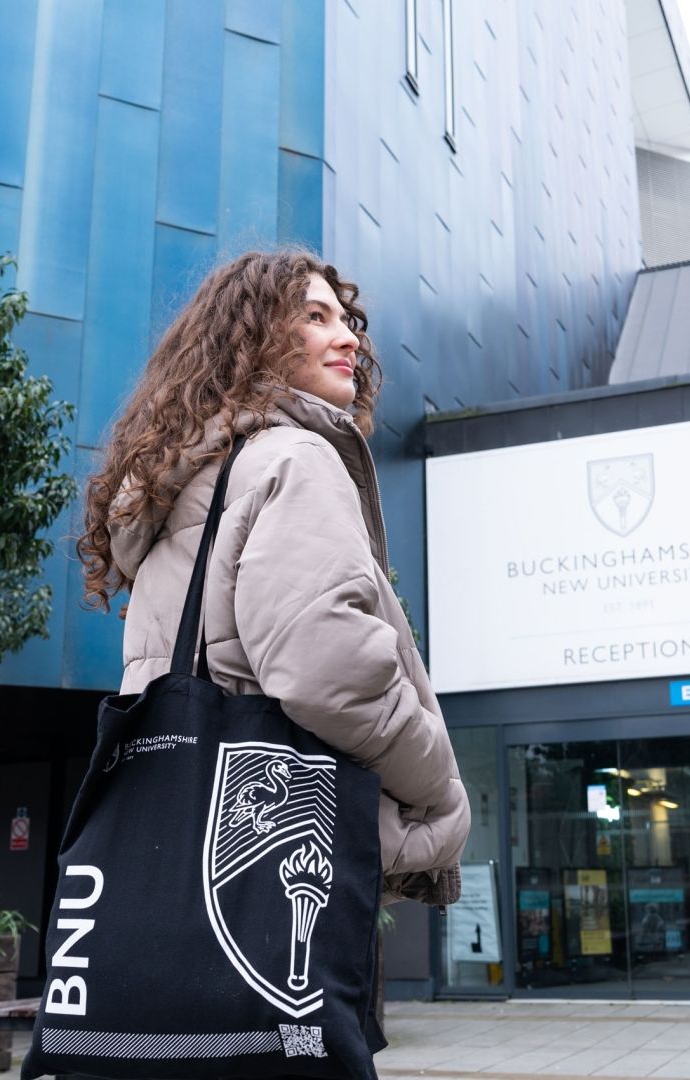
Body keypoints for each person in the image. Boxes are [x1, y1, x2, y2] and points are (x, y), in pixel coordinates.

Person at [77, 249, 470, 909]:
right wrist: (439, 785)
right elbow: (327, 667)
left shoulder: (194, 483)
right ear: (253, 339)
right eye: (315, 317)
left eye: (346, 320)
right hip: (275, 844)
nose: (348, 337)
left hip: (183, 832)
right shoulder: (295, 458)